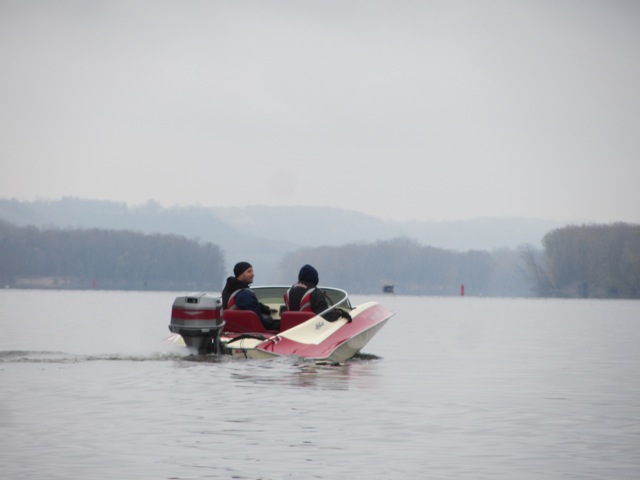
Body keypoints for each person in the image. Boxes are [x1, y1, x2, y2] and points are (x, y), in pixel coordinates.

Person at [221, 261, 278, 330]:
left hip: (234, 328)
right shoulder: (245, 294)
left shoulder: (230, 288)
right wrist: (274, 323)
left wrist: (263, 308)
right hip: (251, 331)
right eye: (249, 271)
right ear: (240, 274)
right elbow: (259, 320)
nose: (253, 274)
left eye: (252, 271)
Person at [284, 264, 351, 322]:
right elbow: (326, 316)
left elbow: (285, 311)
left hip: (288, 330)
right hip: (309, 331)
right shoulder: (314, 293)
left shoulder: (289, 291)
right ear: (315, 278)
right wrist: (340, 313)